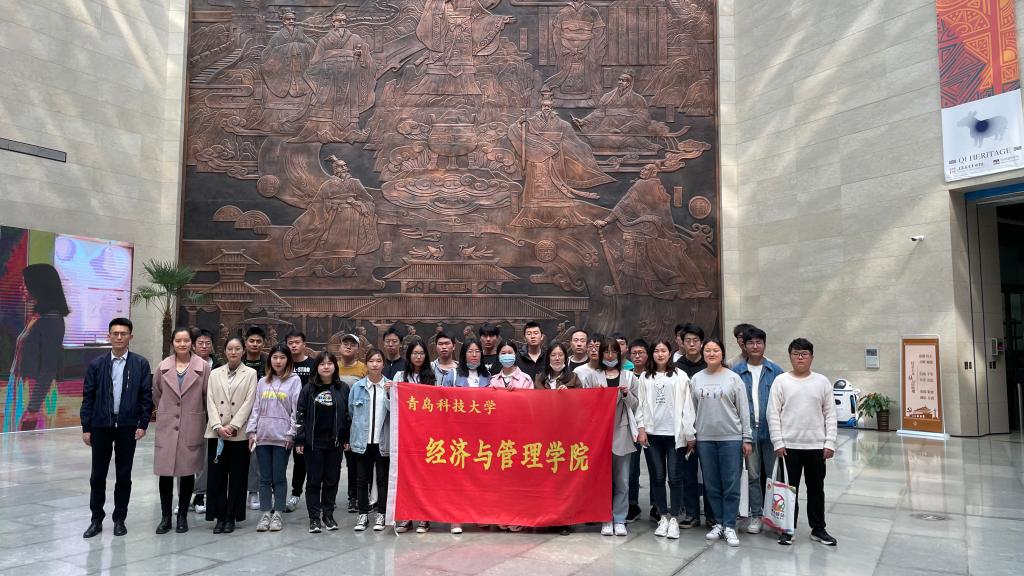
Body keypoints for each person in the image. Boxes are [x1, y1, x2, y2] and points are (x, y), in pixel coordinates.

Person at [81, 317, 153, 538]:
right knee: (97, 475)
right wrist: (86, 427)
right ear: (109, 336)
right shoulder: (97, 364)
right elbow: (88, 396)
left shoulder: (140, 364)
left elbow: (146, 397)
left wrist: (142, 423)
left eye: (123, 333)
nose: (119, 337)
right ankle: (96, 519)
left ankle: (120, 518)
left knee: (124, 475)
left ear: (131, 337)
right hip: (101, 425)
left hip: (127, 426)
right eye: (115, 333)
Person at [767, 338, 838, 546]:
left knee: (816, 489)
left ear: (811, 357)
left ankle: (818, 529)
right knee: (789, 491)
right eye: (796, 354)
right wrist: (778, 442)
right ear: (790, 357)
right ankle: (788, 529)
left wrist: (830, 442)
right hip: (788, 447)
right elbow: (773, 414)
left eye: (804, 354)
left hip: (816, 446)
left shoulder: (822, 382)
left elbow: (831, 414)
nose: (800, 357)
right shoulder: (781, 381)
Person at [691, 338, 751, 547]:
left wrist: (747, 438)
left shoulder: (733, 378)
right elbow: (692, 409)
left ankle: (730, 525)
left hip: (731, 438)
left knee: (731, 484)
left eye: (715, 350)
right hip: (705, 439)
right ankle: (718, 522)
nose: (711, 353)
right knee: (712, 484)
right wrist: (692, 435)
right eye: (707, 350)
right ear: (703, 354)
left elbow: (744, 409)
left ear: (722, 353)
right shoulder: (696, 379)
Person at [636, 340, 696, 539]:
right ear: (652, 354)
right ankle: (662, 516)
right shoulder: (645, 377)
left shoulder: (680, 375)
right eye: (656, 351)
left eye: (663, 350)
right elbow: (640, 405)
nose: (660, 354)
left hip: (675, 435)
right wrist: (641, 429)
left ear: (670, 353)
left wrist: (689, 434)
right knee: (658, 477)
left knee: (675, 478)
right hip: (653, 435)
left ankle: (674, 519)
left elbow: (688, 406)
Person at [154, 327, 212, 534]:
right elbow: (157, 394)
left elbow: (207, 396)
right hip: (167, 426)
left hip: (191, 424)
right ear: (172, 342)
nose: (182, 344)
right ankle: (165, 517)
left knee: (187, 473)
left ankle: (182, 518)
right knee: (165, 474)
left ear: (192, 343)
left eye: (186, 340)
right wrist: (167, 412)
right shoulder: (163, 366)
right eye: (178, 340)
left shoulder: (203, 367)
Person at [578, 337, 638, 537]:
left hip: (622, 431)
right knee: (602, 480)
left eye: (614, 352)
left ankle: (619, 519)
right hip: (600, 434)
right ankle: (605, 518)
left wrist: (627, 394)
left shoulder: (629, 377)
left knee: (622, 480)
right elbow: (584, 406)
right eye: (606, 351)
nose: (610, 355)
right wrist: (597, 396)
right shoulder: (592, 377)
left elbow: (637, 405)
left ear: (619, 354)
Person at [731, 326, 784, 534]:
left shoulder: (775, 371)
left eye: (759, 342)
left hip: (771, 431)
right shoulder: (736, 372)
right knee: (753, 476)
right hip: (748, 432)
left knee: (773, 476)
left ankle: (775, 516)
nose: (755, 346)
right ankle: (756, 515)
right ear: (744, 345)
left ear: (764, 344)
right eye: (750, 343)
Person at [204, 336, 258, 534]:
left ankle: (231, 517)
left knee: (237, 477)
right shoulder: (214, 373)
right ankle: (219, 516)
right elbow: (209, 400)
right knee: (217, 477)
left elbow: (250, 401)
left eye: (237, 349)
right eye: (230, 348)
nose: (233, 352)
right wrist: (217, 426)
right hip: (217, 432)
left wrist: (234, 425)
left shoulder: (251, 373)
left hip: (239, 434)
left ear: (243, 351)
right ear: (224, 351)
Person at [7, 263, 69, 432]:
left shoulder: (52, 319)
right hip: (22, 387)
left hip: (35, 392)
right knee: (14, 439)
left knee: (28, 442)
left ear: (39, 286)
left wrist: (33, 408)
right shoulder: (38, 316)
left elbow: (49, 367)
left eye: (25, 284)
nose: (21, 288)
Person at [247, 343, 301, 532]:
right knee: (264, 477)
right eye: (275, 357)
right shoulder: (263, 381)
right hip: (263, 436)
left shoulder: (294, 381)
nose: (278, 361)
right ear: (270, 359)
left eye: (282, 357)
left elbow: (296, 409)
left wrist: (292, 433)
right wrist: (252, 432)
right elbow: (256, 408)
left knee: (278, 477)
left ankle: (277, 513)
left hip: (282, 438)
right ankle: (265, 513)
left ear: (288, 360)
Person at [295, 352, 351, 533]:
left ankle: (328, 515)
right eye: (322, 364)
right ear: (316, 367)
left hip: (335, 442)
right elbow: (300, 415)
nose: (326, 367)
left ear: (335, 366)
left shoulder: (342, 388)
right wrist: (300, 439)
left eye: (329, 363)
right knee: (313, 480)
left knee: (331, 480)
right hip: (313, 443)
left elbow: (347, 415)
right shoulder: (308, 389)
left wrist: (346, 438)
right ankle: (314, 518)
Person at [350, 348, 392, 532]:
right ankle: (363, 514)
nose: (375, 364)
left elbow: (393, 411)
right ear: (366, 363)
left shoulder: (390, 386)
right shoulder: (357, 387)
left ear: (383, 364)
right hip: (362, 441)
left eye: (378, 361)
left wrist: (390, 394)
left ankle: (381, 513)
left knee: (382, 479)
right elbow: (352, 412)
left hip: (382, 441)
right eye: (371, 361)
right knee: (361, 479)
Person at [672, 322, 708, 526]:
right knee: (688, 472)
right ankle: (692, 513)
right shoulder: (676, 368)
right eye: (688, 341)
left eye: (695, 340)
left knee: (710, 473)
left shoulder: (710, 364)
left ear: (701, 343)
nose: (692, 344)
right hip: (685, 427)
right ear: (682, 343)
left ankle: (712, 515)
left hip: (708, 425)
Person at [284, 331, 317, 513]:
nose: (294, 345)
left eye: (297, 342)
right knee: (281, 458)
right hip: (284, 418)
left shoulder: (313, 365)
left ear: (304, 344)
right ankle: (278, 493)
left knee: (301, 459)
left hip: (306, 419)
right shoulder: (283, 364)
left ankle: (296, 493)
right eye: (290, 342)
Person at [190, 328, 220, 516]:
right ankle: (186, 496)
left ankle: (200, 494)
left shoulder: (219, 366)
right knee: (187, 457)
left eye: (207, 343)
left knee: (206, 458)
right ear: (193, 346)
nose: (203, 346)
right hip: (190, 416)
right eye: (200, 343)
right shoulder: (185, 363)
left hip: (212, 418)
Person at [627, 339, 654, 523]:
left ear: (647, 355)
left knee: (655, 468)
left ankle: (657, 506)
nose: (637, 356)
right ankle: (632, 504)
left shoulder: (653, 376)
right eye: (634, 353)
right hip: (631, 427)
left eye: (641, 353)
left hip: (652, 427)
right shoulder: (627, 376)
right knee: (632, 468)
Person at [242, 326, 267, 511]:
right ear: (245, 343)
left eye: (258, 341)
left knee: (255, 455)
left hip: (260, 415)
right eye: (252, 341)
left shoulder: (268, 364)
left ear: (263, 344)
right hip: (238, 414)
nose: (255, 344)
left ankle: (253, 491)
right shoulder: (238, 361)